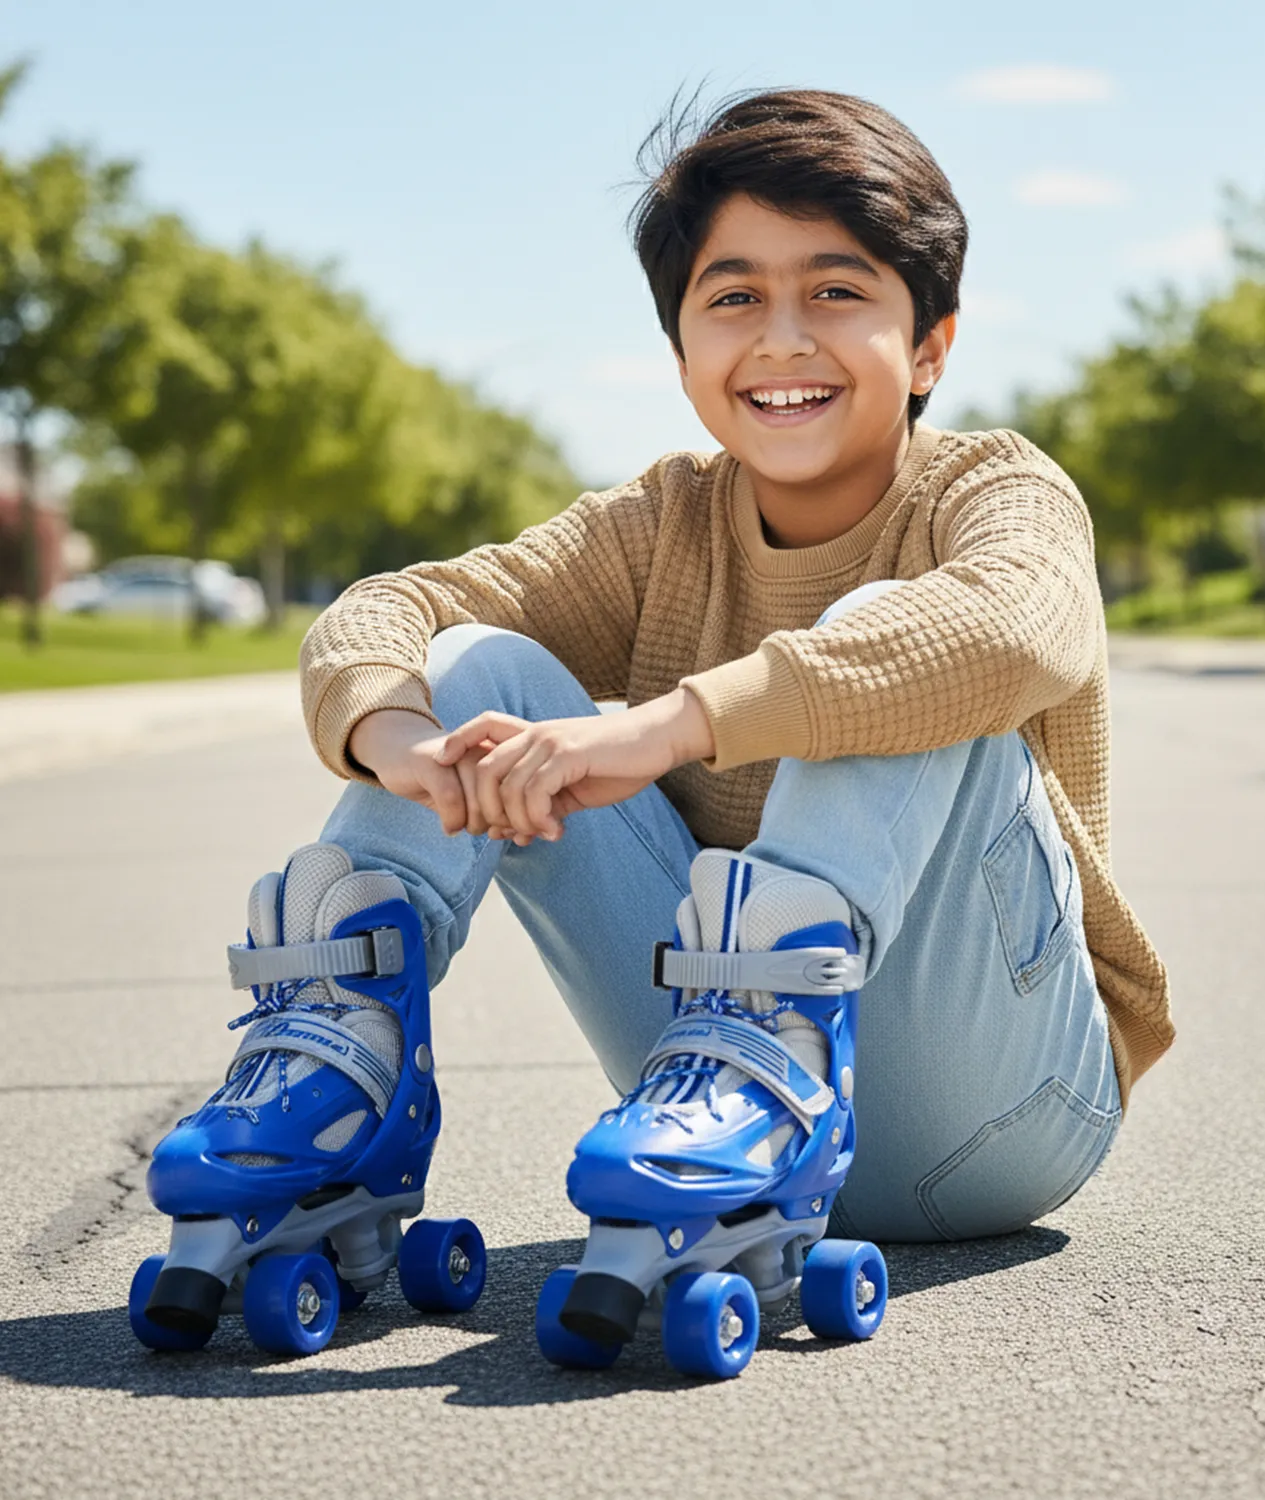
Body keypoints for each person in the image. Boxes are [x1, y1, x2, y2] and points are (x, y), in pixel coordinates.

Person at [136, 88, 1173, 1365]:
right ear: (682, 350)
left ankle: (765, 1057)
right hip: (715, 1108)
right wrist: (406, 746)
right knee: (475, 663)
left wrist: (665, 726)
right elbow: (389, 613)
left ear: (932, 344)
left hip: (999, 1112)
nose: (781, 341)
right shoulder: (656, 527)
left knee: (904, 636)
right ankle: (338, 1074)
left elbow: (1011, 631)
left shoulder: (989, 489)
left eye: (836, 292)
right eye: (731, 298)